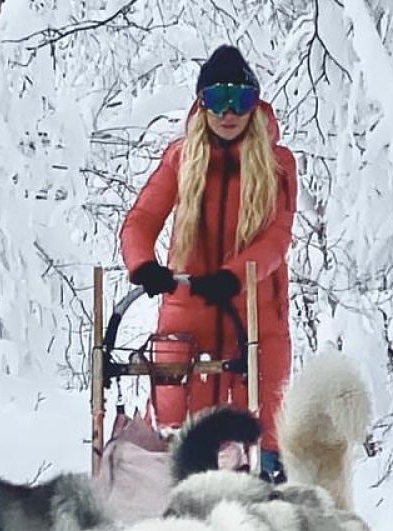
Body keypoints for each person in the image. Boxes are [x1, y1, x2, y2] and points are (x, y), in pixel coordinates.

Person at [120, 44, 298, 482]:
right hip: (187, 313)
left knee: (256, 440)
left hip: (256, 319)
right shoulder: (181, 159)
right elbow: (140, 220)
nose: (229, 111)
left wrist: (233, 277)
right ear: (202, 103)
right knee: (180, 443)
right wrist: (144, 264)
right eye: (218, 99)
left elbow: (277, 237)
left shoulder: (277, 165)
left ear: (255, 104)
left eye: (241, 99)